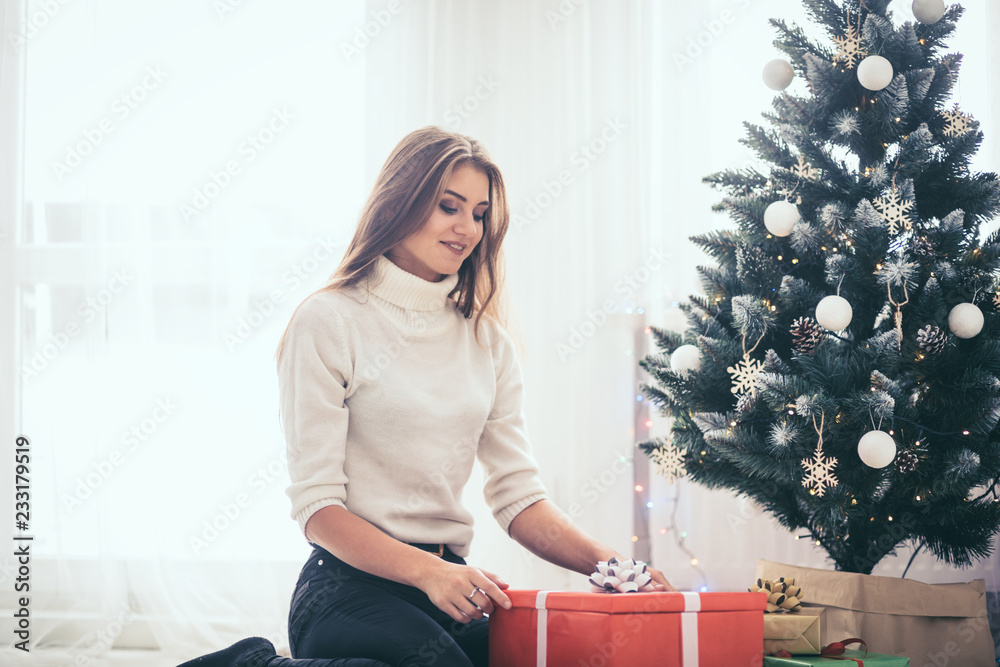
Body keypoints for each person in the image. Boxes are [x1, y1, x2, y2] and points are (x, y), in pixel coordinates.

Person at [179, 126, 674, 667]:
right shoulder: (329, 320)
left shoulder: (487, 341)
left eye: (480, 213)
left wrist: (613, 566)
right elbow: (319, 509)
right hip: (345, 589)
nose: (467, 228)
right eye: (448, 206)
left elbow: (519, 498)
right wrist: (430, 572)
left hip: (446, 591)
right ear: (401, 202)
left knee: (563, 657)